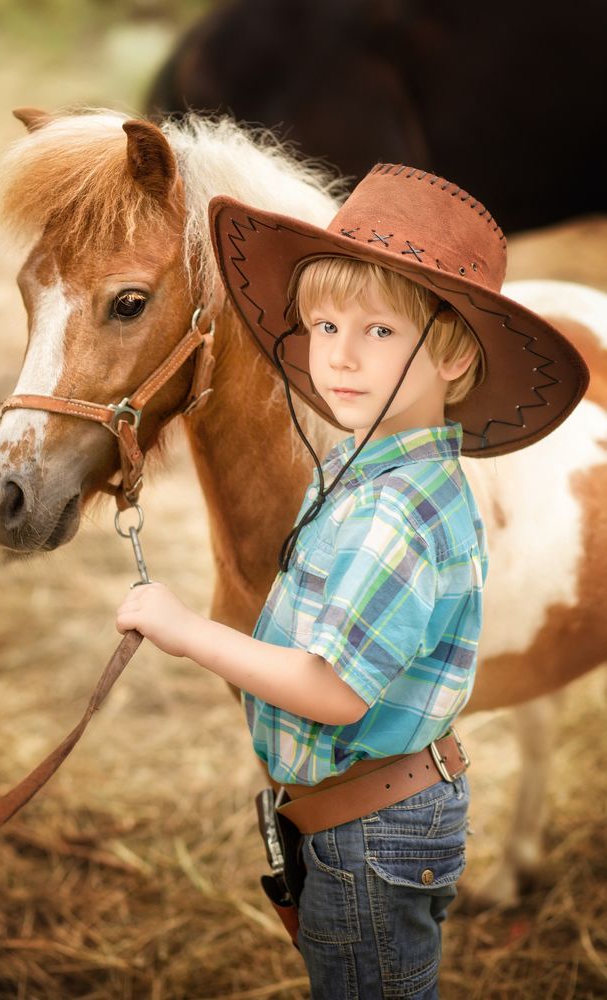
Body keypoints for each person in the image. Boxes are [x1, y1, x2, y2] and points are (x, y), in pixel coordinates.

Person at [116, 163, 588, 998]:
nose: (337, 355)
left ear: (452, 355)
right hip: (365, 815)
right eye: (324, 324)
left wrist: (186, 631)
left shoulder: (391, 513)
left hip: (368, 833)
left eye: (377, 331)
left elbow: (333, 691)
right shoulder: (372, 471)